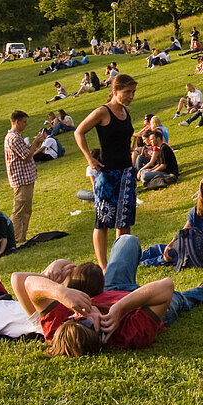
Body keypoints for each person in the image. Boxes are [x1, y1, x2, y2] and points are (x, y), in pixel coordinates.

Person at [13, 236, 203, 356]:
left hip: (113, 288)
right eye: (87, 321)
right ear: (102, 337)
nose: (80, 314)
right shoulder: (131, 334)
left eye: (75, 318)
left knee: (127, 241)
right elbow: (165, 287)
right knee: (180, 300)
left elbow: (26, 282)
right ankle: (201, 292)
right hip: (143, 300)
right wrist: (120, 308)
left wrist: (61, 292)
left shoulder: (60, 330)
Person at [75, 74, 138, 269]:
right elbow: (79, 132)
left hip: (126, 173)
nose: (131, 96)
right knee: (102, 221)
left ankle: (120, 262)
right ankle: (103, 266)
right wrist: (89, 158)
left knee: (124, 221)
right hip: (107, 174)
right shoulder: (102, 112)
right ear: (115, 91)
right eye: (127, 92)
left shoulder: (126, 111)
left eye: (133, 92)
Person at [4, 110, 46, 246]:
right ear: (16, 122)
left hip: (25, 178)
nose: (25, 125)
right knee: (19, 210)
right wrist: (36, 141)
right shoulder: (14, 138)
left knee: (26, 210)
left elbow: (27, 152)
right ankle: (16, 238)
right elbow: (27, 155)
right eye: (24, 122)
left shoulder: (15, 137)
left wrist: (36, 143)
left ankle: (21, 237)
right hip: (21, 180)